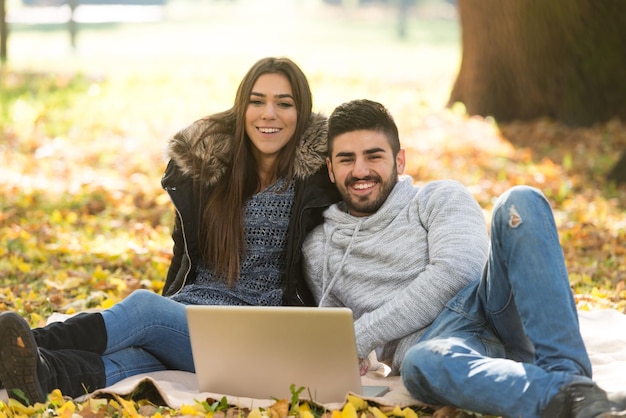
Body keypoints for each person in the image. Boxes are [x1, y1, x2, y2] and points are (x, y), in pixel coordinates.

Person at [0, 56, 340, 405]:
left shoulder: (316, 184)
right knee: (134, 359)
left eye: (284, 103)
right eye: (257, 101)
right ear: (242, 109)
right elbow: (185, 256)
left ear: (302, 113)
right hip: (194, 316)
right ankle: (41, 373)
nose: (269, 113)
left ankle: (27, 342)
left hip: (256, 337)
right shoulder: (211, 172)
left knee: (145, 310)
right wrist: (164, 317)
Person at [302, 99, 626, 418]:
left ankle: (569, 377)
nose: (360, 170)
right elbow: (338, 337)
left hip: (490, 305)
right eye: (346, 159)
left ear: (399, 161)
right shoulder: (319, 249)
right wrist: (352, 350)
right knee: (420, 366)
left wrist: (364, 334)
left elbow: (458, 271)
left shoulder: (438, 198)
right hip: (438, 348)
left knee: (520, 201)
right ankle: (571, 397)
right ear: (330, 169)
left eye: (373, 156)